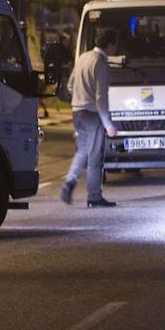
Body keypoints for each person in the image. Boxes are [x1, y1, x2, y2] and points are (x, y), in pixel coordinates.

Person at [60, 27, 119, 208]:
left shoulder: (83, 58)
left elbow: (70, 86)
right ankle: (94, 197)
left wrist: (80, 98)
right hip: (92, 114)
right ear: (109, 45)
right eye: (115, 45)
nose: (116, 49)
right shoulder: (101, 62)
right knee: (95, 157)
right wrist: (108, 124)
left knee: (83, 151)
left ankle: (70, 181)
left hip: (77, 111)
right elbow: (101, 98)